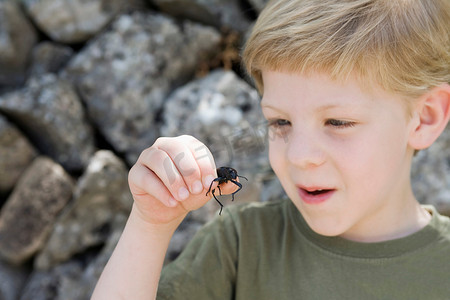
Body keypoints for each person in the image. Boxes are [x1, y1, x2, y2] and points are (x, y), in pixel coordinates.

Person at [91, 0, 450, 299]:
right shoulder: (240, 245)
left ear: (424, 118)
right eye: (280, 123)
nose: (298, 155)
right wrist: (152, 223)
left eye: (337, 122)